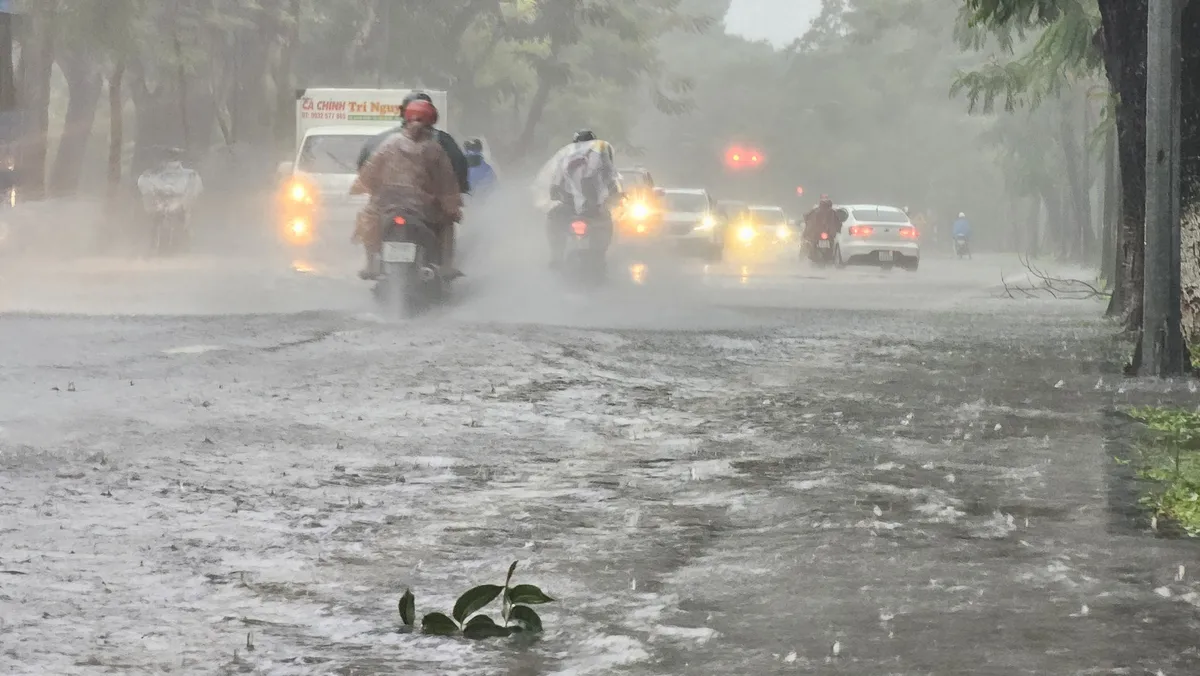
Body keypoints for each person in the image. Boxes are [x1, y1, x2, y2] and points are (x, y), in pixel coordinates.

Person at [351, 99, 462, 280]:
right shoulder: (435, 149)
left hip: (386, 207)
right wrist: (452, 207)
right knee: (447, 223)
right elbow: (447, 184)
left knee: (367, 218)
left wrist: (368, 190)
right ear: (431, 122)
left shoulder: (388, 144)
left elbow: (367, 176)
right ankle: (446, 267)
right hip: (423, 211)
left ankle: (371, 265)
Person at [533, 129, 622, 269]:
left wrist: (556, 193)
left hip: (569, 206)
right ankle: (599, 256)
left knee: (552, 221)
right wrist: (615, 195)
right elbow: (610, 179)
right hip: (593, 208)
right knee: (605, 223)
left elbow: (554, 185)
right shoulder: (600, 156)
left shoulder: (565, 157)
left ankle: (556, 257)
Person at [357, 91, 470, 195]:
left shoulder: (383, 140)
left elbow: (364, 172)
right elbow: (458, 169)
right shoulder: (441, 142)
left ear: (402, 113)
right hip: (426, 208)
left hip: (390, 205)